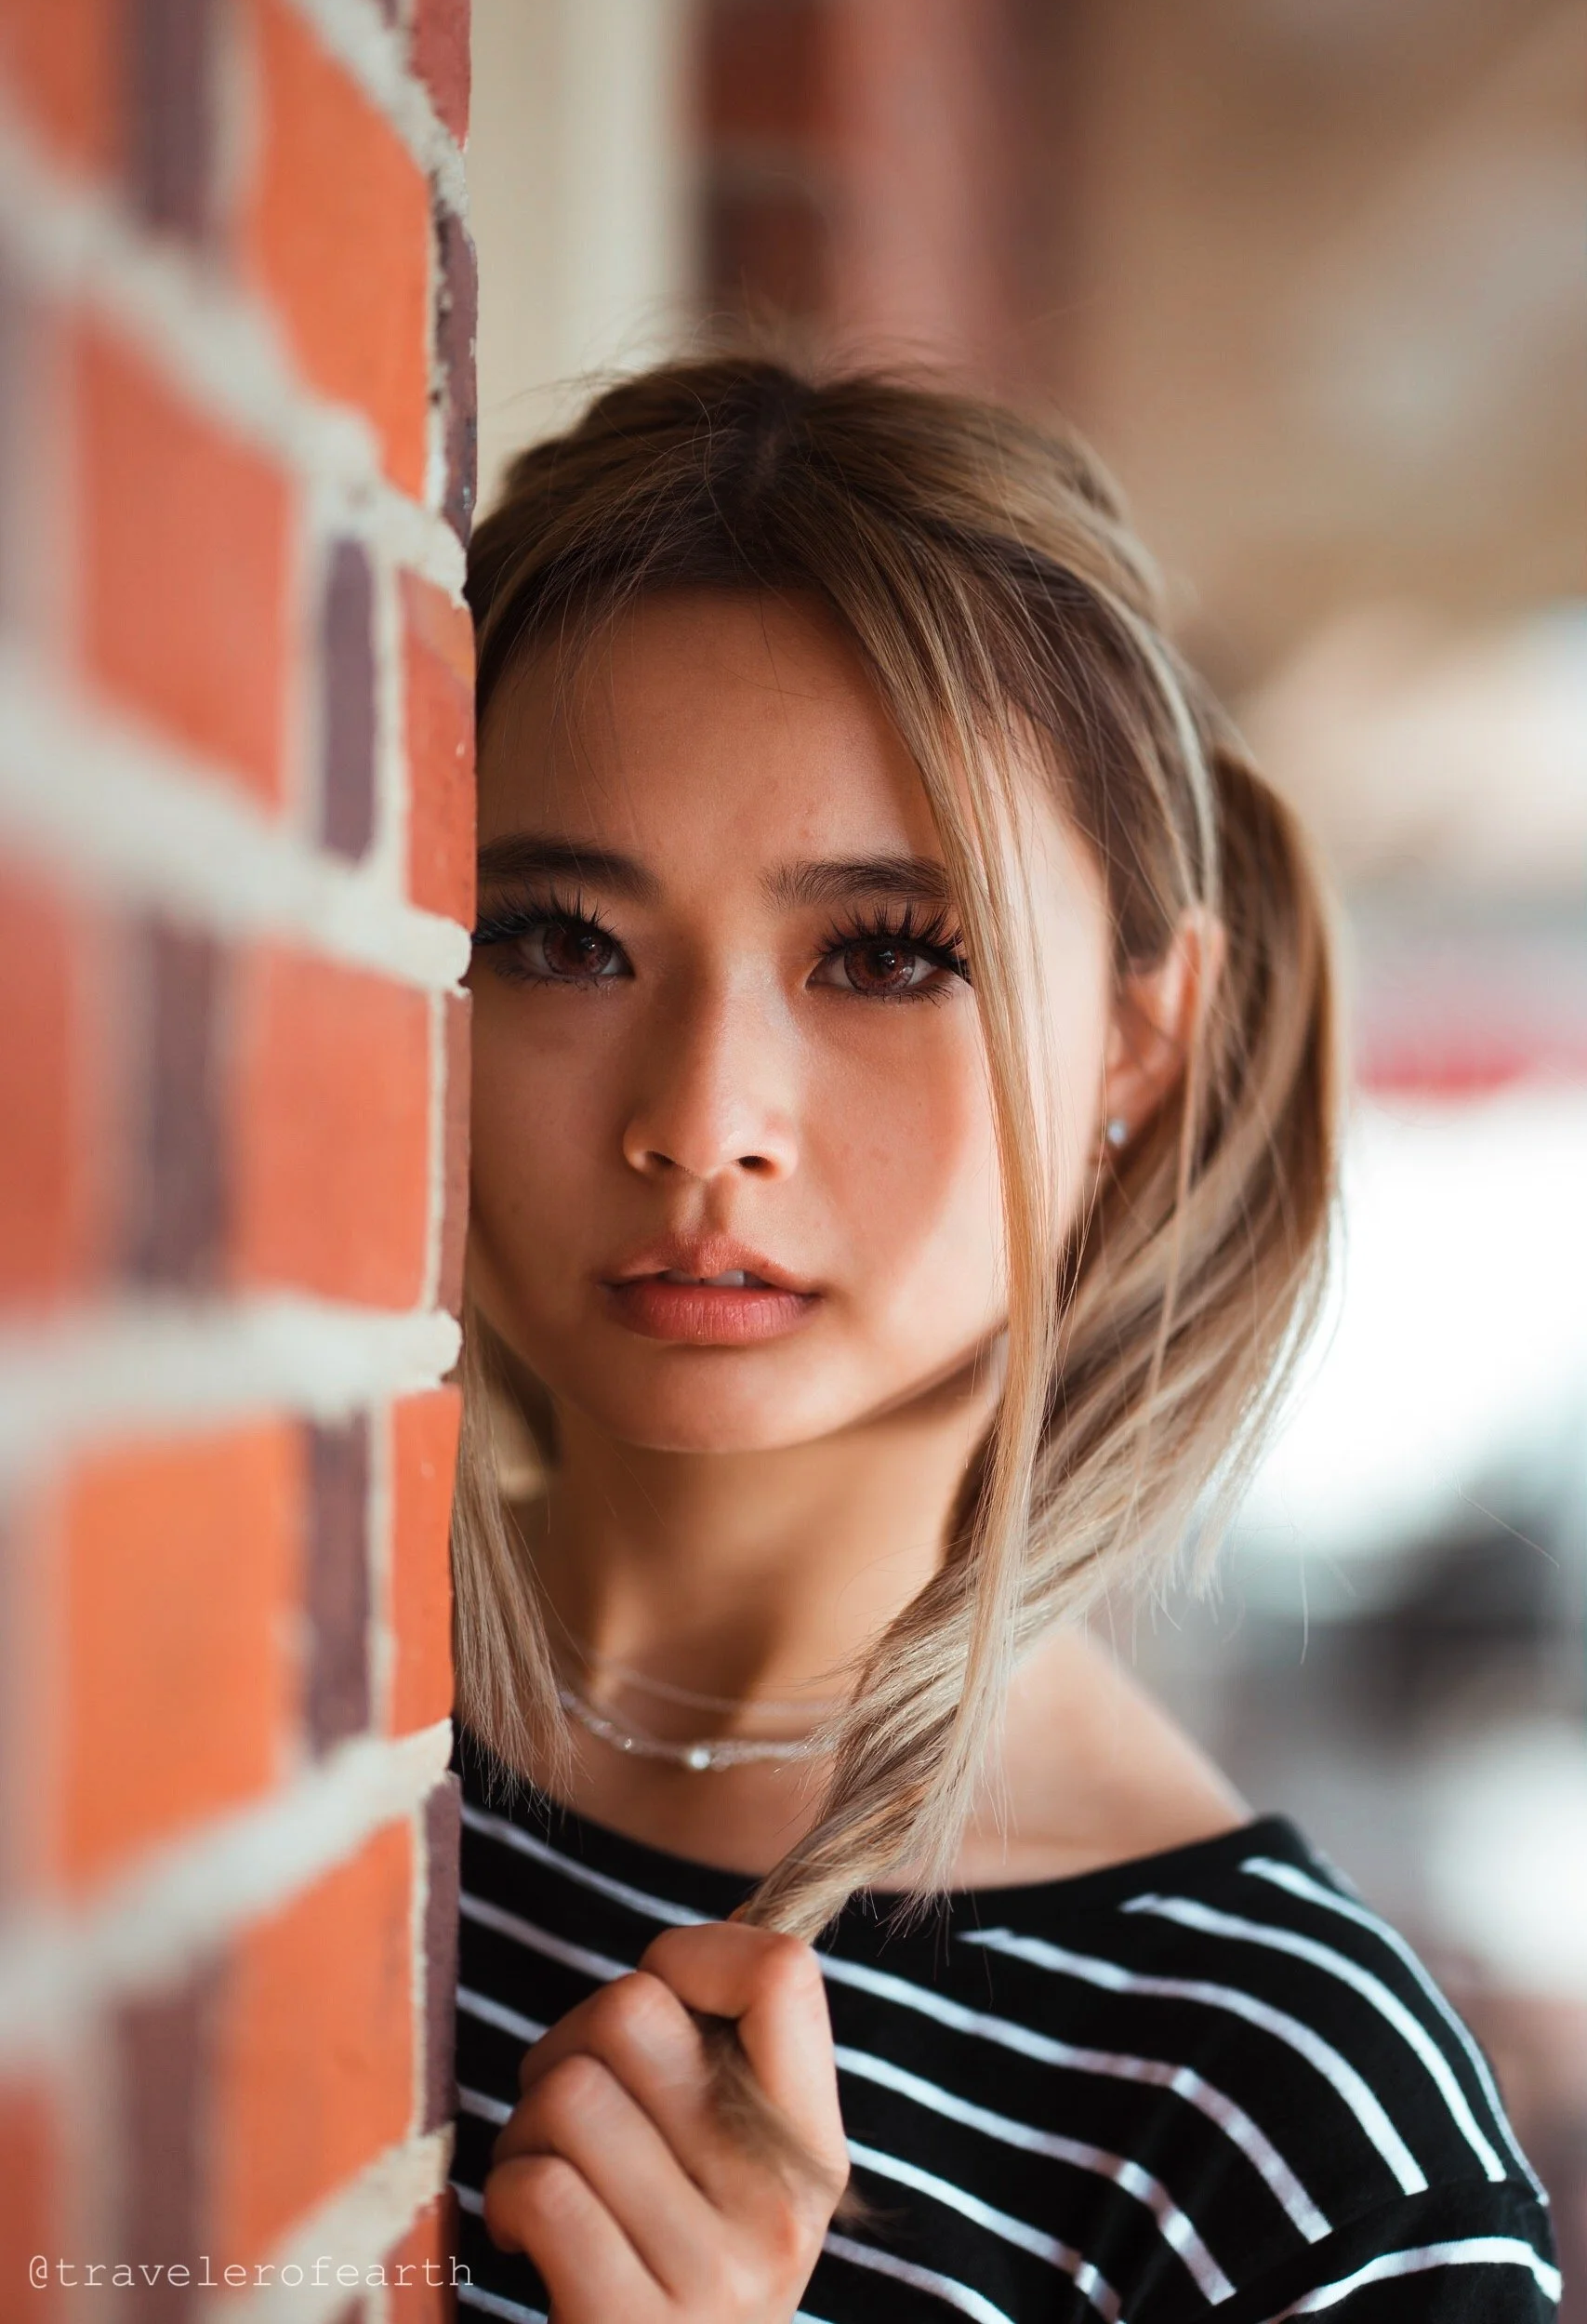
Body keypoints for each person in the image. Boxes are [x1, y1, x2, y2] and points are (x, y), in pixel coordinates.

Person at [443, 360, 1557, 2323]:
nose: (706, 1118)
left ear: (1141, 1032)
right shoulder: (206, 1700)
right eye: (561, 937)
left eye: (887, 953)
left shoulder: (1283, 2123)